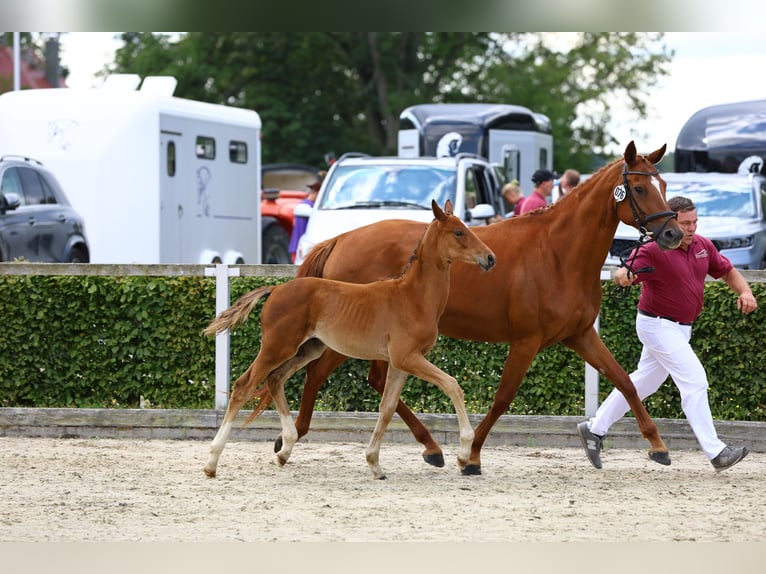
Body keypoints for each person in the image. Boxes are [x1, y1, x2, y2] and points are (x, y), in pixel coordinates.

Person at [577, 196, 758, 472]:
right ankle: (717, 451)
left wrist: (745, 291)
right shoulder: (653, 250)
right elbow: (622, 271)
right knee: (695, 381)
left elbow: (727, 271)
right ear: (670, 222)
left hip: (680, 328)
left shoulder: (702, 246)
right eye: (685, 223)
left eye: (695, 222)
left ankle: (594, 428)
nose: (692, 228)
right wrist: (622, 275)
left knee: (643, 384)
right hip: (657, 326)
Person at [288, 170, 325, 262]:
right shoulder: (305, 207)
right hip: (301, 249)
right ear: (317, 193)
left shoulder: (306, 206)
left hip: (302, 248)